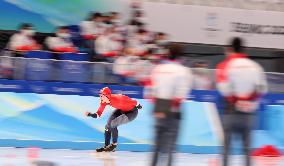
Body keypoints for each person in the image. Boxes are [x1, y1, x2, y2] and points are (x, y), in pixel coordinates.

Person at [216, 37, 268, 166]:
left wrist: (237, 100)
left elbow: (224, 90)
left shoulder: (224, 65)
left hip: (231, 111)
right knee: (247, 150)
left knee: (226, 150)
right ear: (244, 49)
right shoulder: (255, 66)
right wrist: (248, 99)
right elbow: (263, 89)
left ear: (229, 49)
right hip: (249, 112)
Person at [145, 43, 192, 166]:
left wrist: (161, 107)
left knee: (156, 147)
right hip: (173, 112)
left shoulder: (157, 69)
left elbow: (149, 93)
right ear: (181, 56)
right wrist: (167, 106)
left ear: (168, 54)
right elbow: (181, 96)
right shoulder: (183, 71)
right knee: (170, 148)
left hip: (159, 109)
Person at [85, 87, 142, 152]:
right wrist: (90, 114)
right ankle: (106, 147)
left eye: (101, 95)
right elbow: (98, 114)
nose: (100, 97)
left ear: (107, 96)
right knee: (107, 126)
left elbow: (134, 102)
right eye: (100, 95)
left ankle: (114, 145)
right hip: (122, 110)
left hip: (132, 113)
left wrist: (139, 105)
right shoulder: (103, 101)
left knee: (113, 124)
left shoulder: (119, 98)